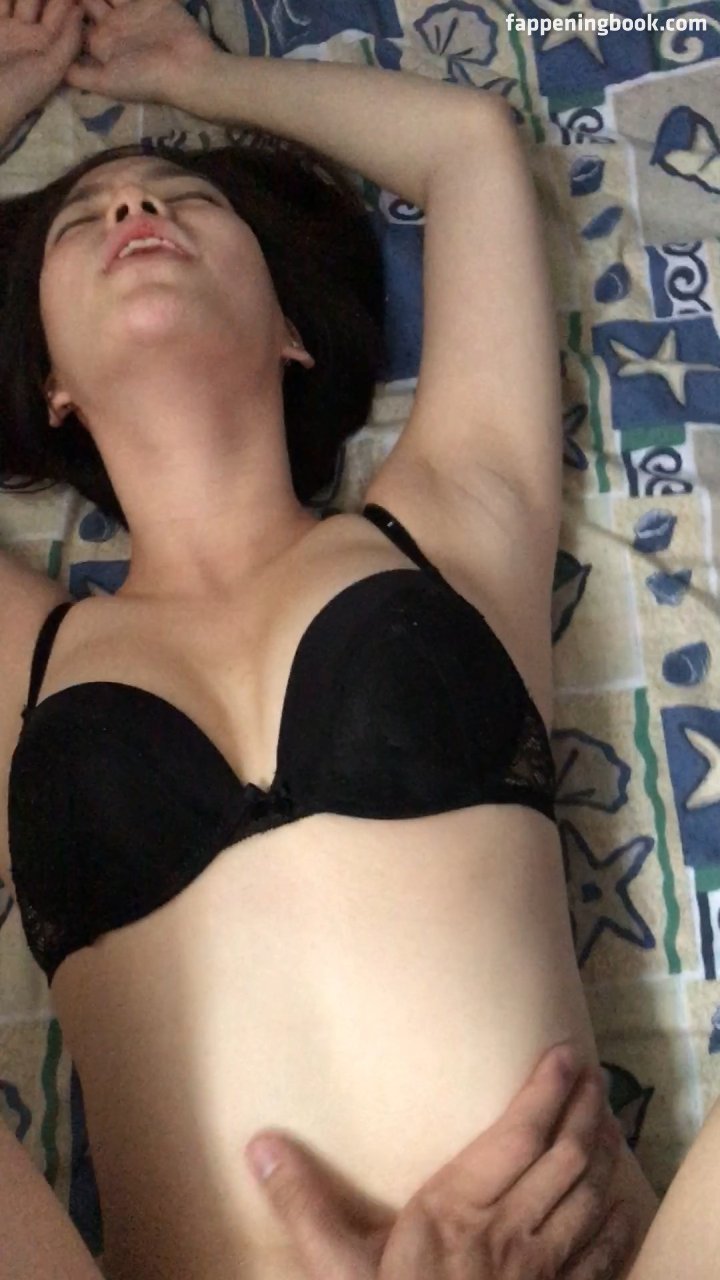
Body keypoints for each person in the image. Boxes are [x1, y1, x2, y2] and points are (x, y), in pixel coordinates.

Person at [0, 0, 661, 1276]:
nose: (131, 206)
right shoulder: (22, 655)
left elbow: (469, 149)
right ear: (53, 389)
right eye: (79, 223)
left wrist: (201, 75)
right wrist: (14, 96)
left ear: (294, 333)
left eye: (190, 203)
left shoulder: (449, 518)